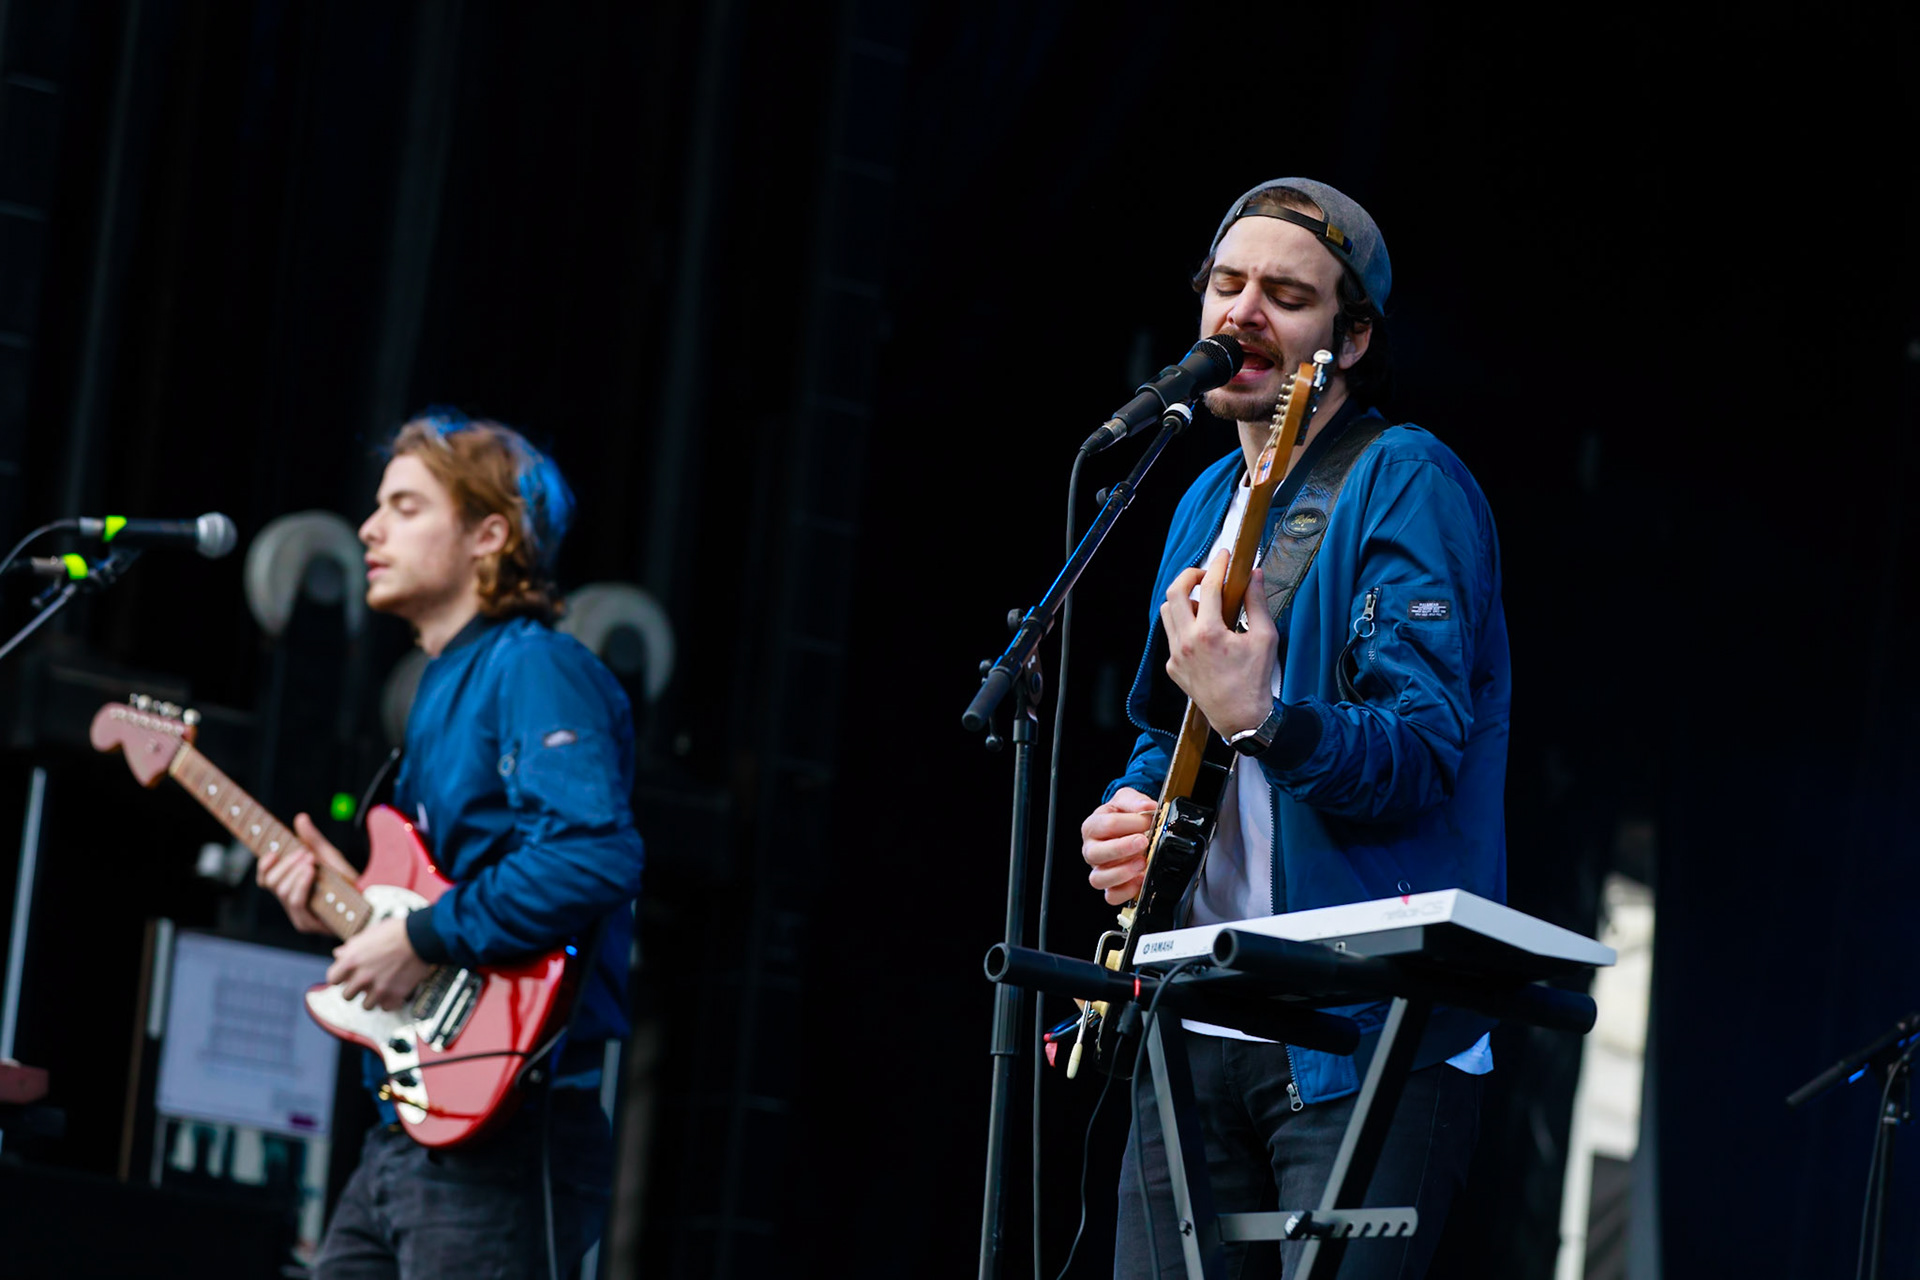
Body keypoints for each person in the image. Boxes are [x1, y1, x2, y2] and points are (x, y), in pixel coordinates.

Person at [1079, 179, 1509, 1278]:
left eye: (1286, 294)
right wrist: (1135, 811)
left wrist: (1267, 717)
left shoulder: (1403, 479)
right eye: (1226, 286)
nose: (1243, 314)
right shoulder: (1197, 502)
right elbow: (1163, 725)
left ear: (1351, 336)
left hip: (1360, 1031)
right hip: (1198, 1012)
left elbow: (1419, 751)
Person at [256, 412, 646, 1278]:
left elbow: (593, 857)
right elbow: (434, 900)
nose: (369, 528)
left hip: (507, 1135)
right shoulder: (440, 686)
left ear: (489, 535)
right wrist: (343, 905)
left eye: (404, 506)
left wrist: (421, 936)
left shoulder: (533, 667)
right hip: (409, 1127)